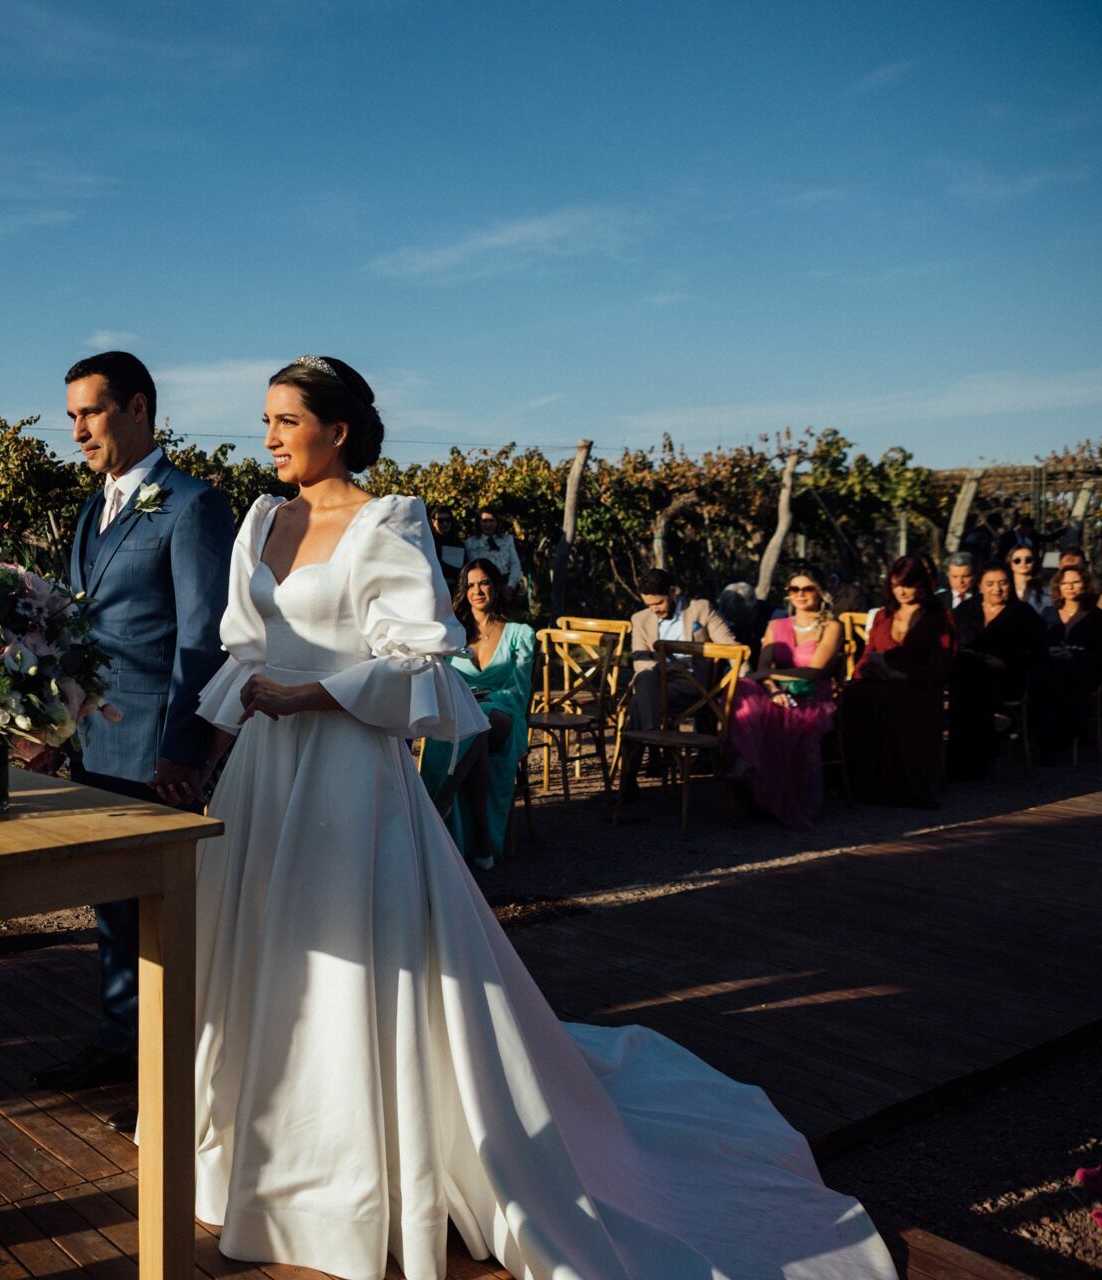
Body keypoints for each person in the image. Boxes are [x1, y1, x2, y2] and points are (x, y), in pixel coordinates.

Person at [189, 354, 893, 1280]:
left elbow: (418, 663)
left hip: (341, 773)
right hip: (266, 769)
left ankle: (346, 1182)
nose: (270, 436)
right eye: (267, 420)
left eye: (286, 419)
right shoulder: (258, 520)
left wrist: (309, 695)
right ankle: (251, 1155)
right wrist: (217, 737)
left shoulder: (385, 521)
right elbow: (242, 646)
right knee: (262, 947)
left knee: (357, 955)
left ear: (340, 429)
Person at [32, 350, 233, 1097]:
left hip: (154, 752)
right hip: (93, 741)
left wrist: (187, 750)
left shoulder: (194, 504)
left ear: (140, 408)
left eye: (92, 412)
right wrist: (54, 727)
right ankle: (122, 1046)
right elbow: (83, 634)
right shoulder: (94, 506)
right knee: (113, 913)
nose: (79, 431)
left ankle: (170, 1075)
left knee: (158, 920)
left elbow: (203, 637)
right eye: (73, 417)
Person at [417, 559, 534, 869]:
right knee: (475, 729)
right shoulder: (453, 634)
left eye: (483, 583)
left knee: (481, 719)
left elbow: (520, 693)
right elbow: (439, 681)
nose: (477, 590)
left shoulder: (520, 633)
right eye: (470, 585)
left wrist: (485, 696)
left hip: (505, 715)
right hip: (464, 716)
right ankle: (481, 838)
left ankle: (438, 802)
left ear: (495, 585)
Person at [726, 566, 842, 829]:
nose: (800, 594)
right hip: (777, 693)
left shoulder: (832, 626)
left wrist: (768, 675)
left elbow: (814, 671)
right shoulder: (776, 625)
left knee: (776, 711)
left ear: (821, 592)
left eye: (807, 588)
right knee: (744, 688)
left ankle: (756, 777)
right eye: (794, 589)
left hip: (811, 696)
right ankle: (747, 765)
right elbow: (763, 670)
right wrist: (771, 688)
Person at [840, 556, 954, 808]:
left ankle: (903, 786)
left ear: (921, 585)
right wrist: (862, 674)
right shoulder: (883, 616)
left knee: (898, 701)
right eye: (896, 585)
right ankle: (861, 783)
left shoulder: (937, 617)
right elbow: (867, 654)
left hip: (918, 685)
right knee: (853, 695)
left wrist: (903, 675)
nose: (901, 591)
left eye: (908, 584)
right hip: (881, 681)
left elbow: (941, 666)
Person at [617, 567, 735, 800]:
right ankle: (652, 739)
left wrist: (745, 676)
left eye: (659, 603)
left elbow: (730, 646)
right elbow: (640, 662)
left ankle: (633, 771)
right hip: (658, 680)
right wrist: (661, 666)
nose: (655, 610)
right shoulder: (640, 619)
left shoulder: (701, 609)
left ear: (673, 592)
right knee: (646, 679)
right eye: (649, 605)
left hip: (694, 685)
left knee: (640, 702)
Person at [946, 564, 1046, 780]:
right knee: (967, 676)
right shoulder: (965, 610)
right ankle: (962, 758)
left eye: (1003, 583)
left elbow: (1038, 652)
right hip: (967, 676)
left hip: (1007, 675)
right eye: (990, 584)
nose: (997, 589)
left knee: (971, 683)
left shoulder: (1023, 613)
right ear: (980, 586)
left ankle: (977, 758)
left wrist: (1006, 663)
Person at [1033, 564, 1102, 759]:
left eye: (1075, 582)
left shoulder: (1097, 617)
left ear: (1086, 585)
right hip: (1050, 670)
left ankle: (1059, 739)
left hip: (1083, 670)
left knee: (1061, 674)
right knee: (1044, 676)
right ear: (1058, 587)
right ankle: (1046, 738)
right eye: (1065, 583)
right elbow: (1037, 643)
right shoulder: (1048, 613)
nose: (1070, 587)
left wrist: (1073, 656)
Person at [461, 506, 524, 600]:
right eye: (485, 521)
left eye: (491, 521)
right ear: (479, 523)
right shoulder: (470, 543)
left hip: (505, 585)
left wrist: (510, 586)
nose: (488, 524)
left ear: (497, 522)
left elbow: (515, 564)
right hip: (482, 587)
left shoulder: (507, 540)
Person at [426, 503, 467, 592]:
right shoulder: (428, 543)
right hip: (435, 588)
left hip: (456, 589)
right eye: (440, 520)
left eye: (448, 520)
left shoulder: (459, 543)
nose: (445, 523)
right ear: (433, 522)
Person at [1007, 544, 1050, 614]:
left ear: (1034, 562)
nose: (1023, 563)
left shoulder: (1046, 590)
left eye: (1028, 560)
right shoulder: (1003, 588)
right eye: (1017, 560)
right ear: (1010, 564)